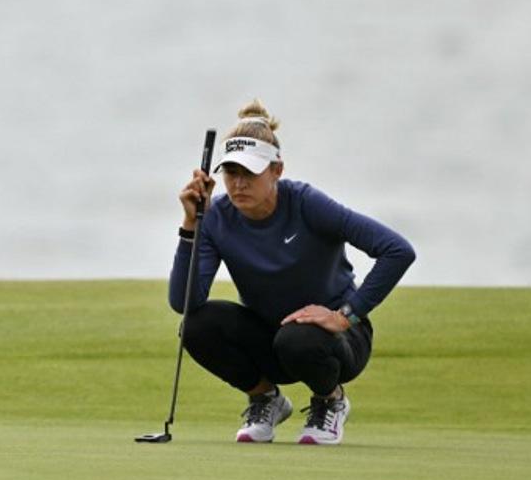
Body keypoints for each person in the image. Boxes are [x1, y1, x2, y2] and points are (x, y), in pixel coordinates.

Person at [169, 99, 415, 445]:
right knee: (196, 325)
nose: (238, 184)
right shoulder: (216, 217)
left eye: (250, 173)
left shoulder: (306, 203)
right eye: (231, 173)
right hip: (271, 341)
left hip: (335, 341)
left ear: (276, 171)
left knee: (298, 337)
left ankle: (331, 401)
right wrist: (191, 223)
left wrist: (346, 316)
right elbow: (184, 300)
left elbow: (397, 250)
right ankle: (265, 399)